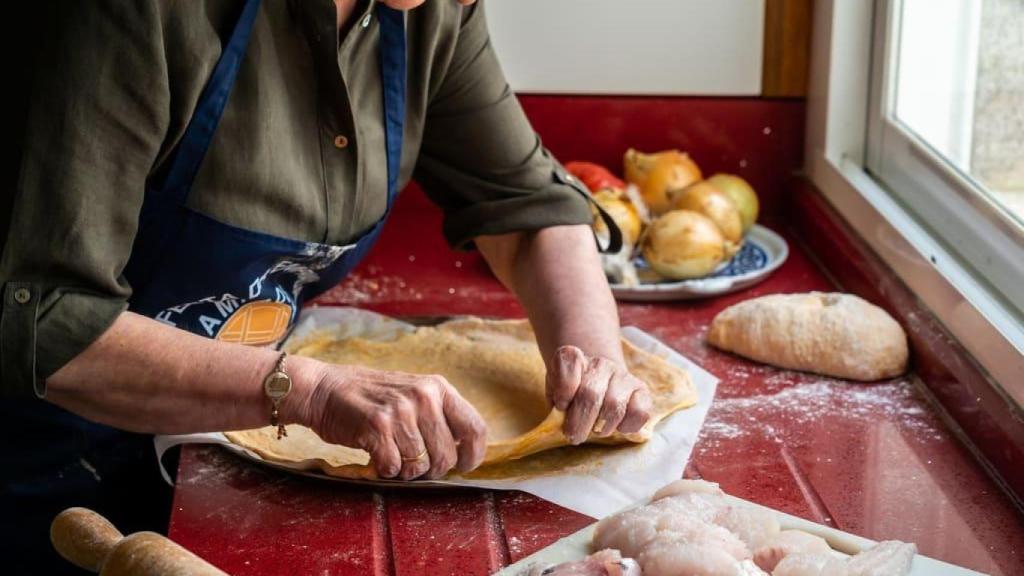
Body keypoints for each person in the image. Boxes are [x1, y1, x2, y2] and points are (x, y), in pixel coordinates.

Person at [0, 0, 652, 572]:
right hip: (43, 457)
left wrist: (591, 354)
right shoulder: (144, 13)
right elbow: (53, 321)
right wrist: (310, 390)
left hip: (220, 452)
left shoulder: (427, 12)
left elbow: (528, 206)